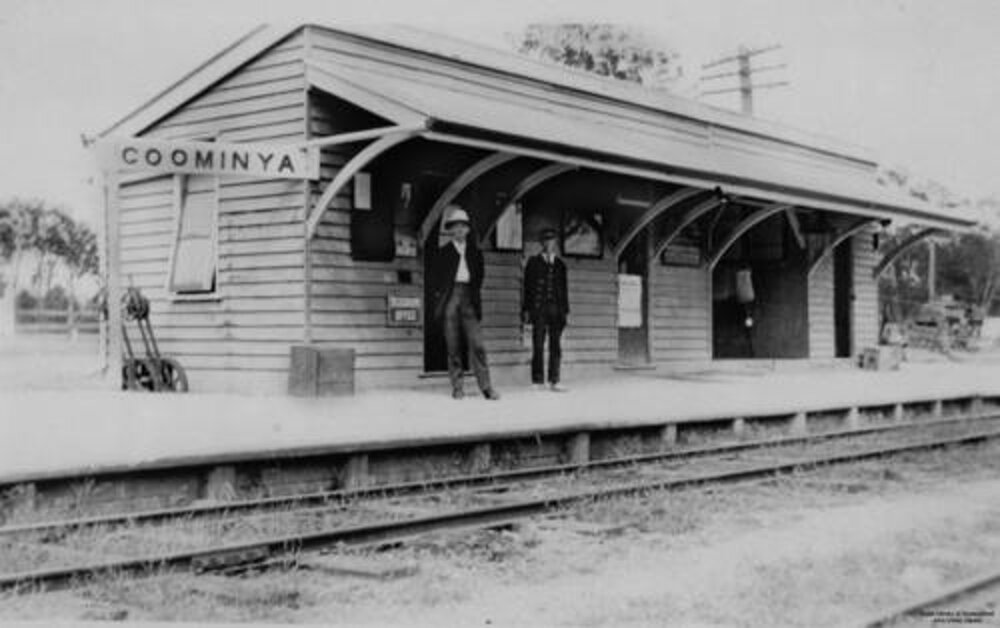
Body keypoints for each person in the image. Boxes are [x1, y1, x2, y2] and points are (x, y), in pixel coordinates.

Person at [430, 205, 500, 400]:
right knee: (453, 345)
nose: (460, 230)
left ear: (468, 229)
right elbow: (436, 278)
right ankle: (457, 387)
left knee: (477, 344)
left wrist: (472, 295)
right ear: (451, 230)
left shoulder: (475, 253)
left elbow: (480, 277)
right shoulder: (443, 252)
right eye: (455, 227)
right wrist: (443, 298)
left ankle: (486, 387)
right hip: (450, 297)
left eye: (463, 226)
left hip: (469, 297)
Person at [522, 228, 569, 391]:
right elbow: (527, 288)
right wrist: (527, 310)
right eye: (546, 241)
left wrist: (565, 312)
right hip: (539, 309)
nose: (549, 244)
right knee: (538, 344)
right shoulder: (533, 263)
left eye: (552, 241)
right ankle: (537, 380)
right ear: (541, 243)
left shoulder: (561, 265)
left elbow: (564, 290)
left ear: (555, 243)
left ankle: (554, 380)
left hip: (556, 309)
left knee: (556, 345)